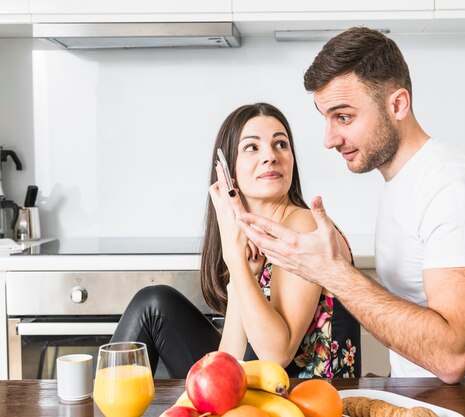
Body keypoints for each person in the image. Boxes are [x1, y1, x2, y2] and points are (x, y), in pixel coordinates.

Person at [239, 28, 465, 383]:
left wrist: (332, 272)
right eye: (326, 118)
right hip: (420, 396)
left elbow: (453, 356)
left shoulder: (452, 188)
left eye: (343, 117)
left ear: (397, 104)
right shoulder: (402, 182)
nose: (329, 139)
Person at [111, 103, 361, 379]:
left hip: (307, 402)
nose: (271, 156)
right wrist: (244, 274)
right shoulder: (253, 240)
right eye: (252, 148)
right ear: (227, 171)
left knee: (153, 304)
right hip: (262, 394)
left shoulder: (302, 226)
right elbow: (228, 359)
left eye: (281, 144)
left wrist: (235, 259)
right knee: (154, 303)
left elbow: (276, 355)